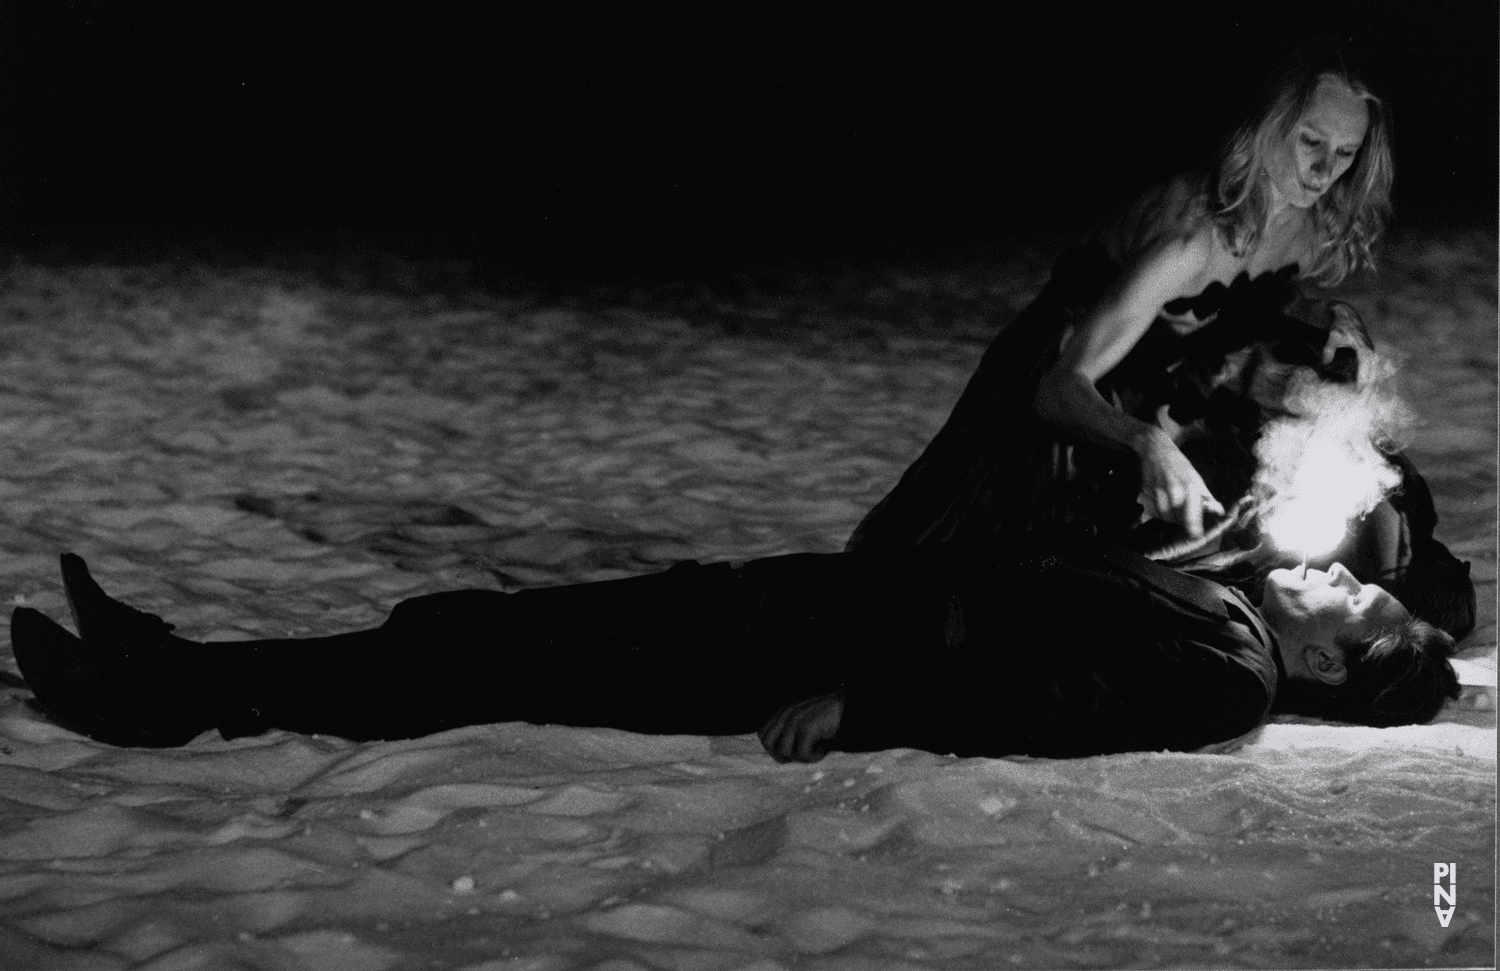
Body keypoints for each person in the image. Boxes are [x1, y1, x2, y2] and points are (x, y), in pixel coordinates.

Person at [845, 46, 1474, 639]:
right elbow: (1057, 388)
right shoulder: (1190, 238)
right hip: (1069, 395)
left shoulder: (1312, 221)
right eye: (1309, 142)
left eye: (1344, 152)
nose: (1322, 170)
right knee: (1048, 595)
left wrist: (1330, 329)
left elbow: (1246, 320)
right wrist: (1145, 442)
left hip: (1175, 383)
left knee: (1356, 491)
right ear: (1265, 128)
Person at [11, 547, 1459, 763]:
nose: (1340, 575)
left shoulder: (1230, 677)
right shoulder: (1230, 605)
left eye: (1362, 605)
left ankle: (174, 702)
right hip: (801, 597)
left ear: (1336, 671)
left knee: (485, 668)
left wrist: (872, 700)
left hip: (813, 654)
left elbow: (1049, 708)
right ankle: (180, 655)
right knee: (482, 626)